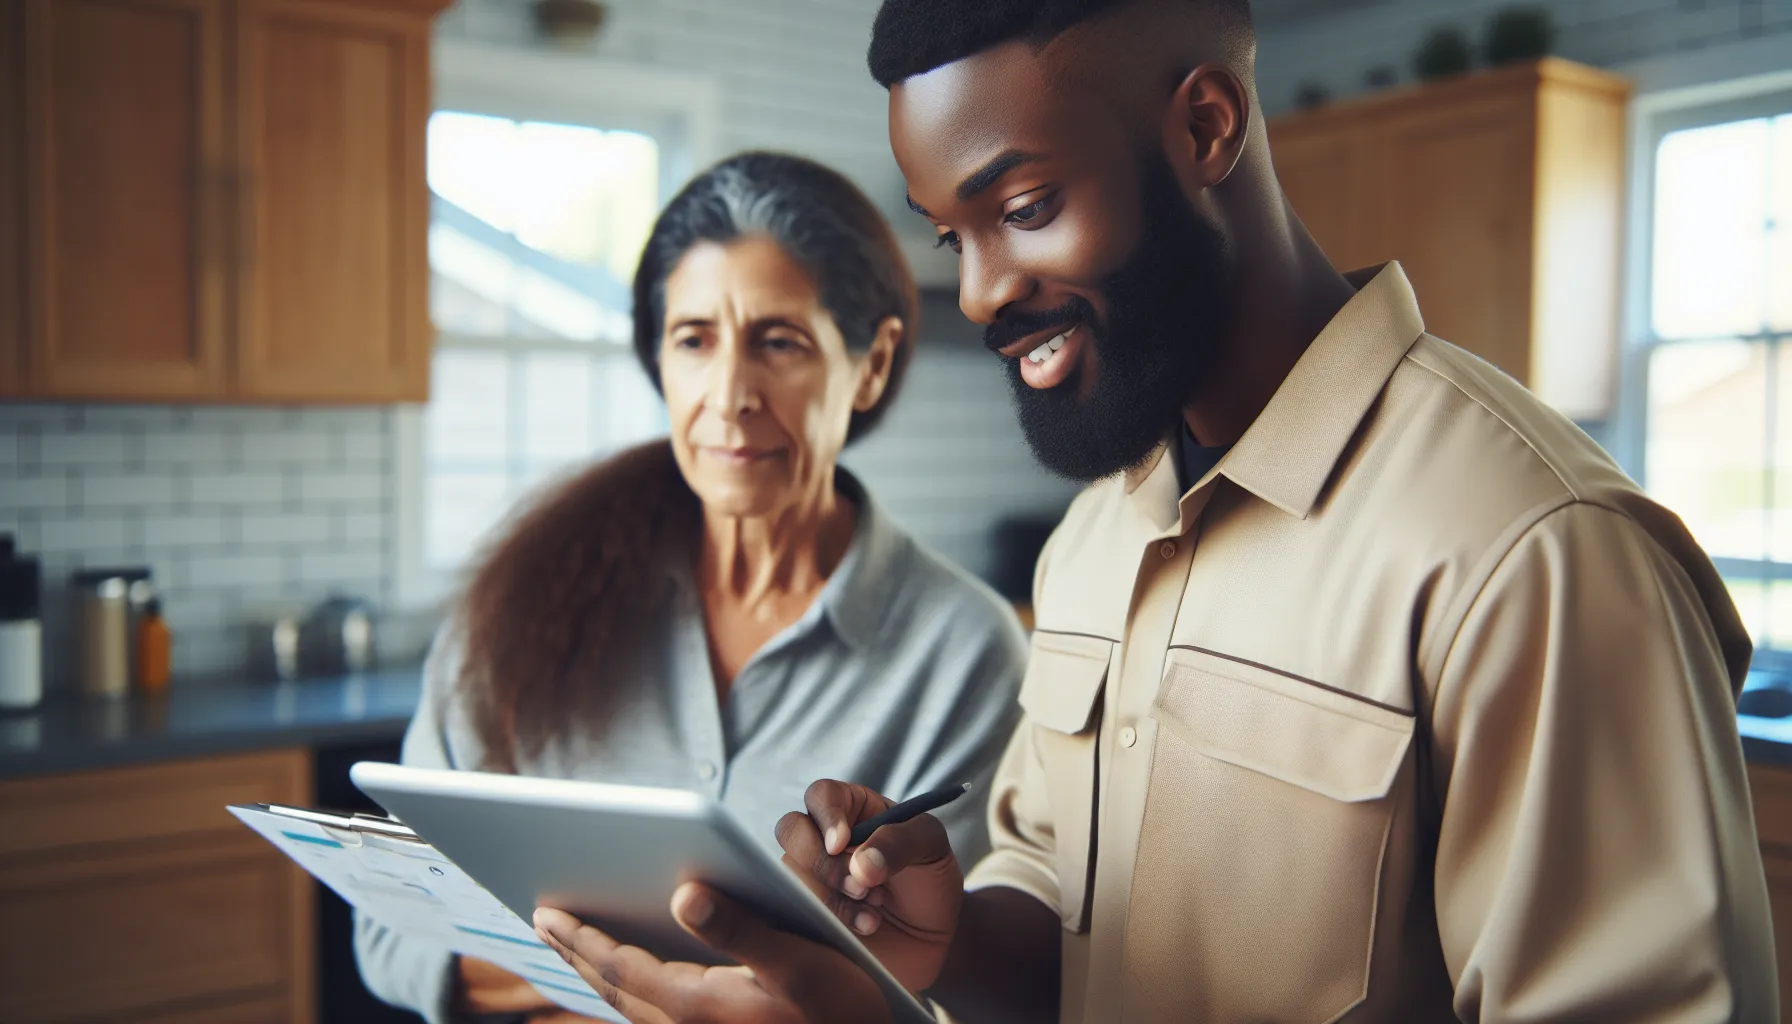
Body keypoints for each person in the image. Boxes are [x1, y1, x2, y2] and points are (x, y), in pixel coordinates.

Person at [530, 2, 1779, 1022]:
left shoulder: (1532, 552)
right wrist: (944, 940)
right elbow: (1055, 913)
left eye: (1021, 210)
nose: (979, 293)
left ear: (1205, 125)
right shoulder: (1098, 534)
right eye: (953, 235)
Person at [354, 151, 1027, 1024]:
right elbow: (390, 928)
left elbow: (948, 997)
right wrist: (645, 979)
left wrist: (552, 954)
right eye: (694, 340)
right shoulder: (523, 601)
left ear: (870, 364)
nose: (730, 395)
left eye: (779, 342)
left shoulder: (962, 653)